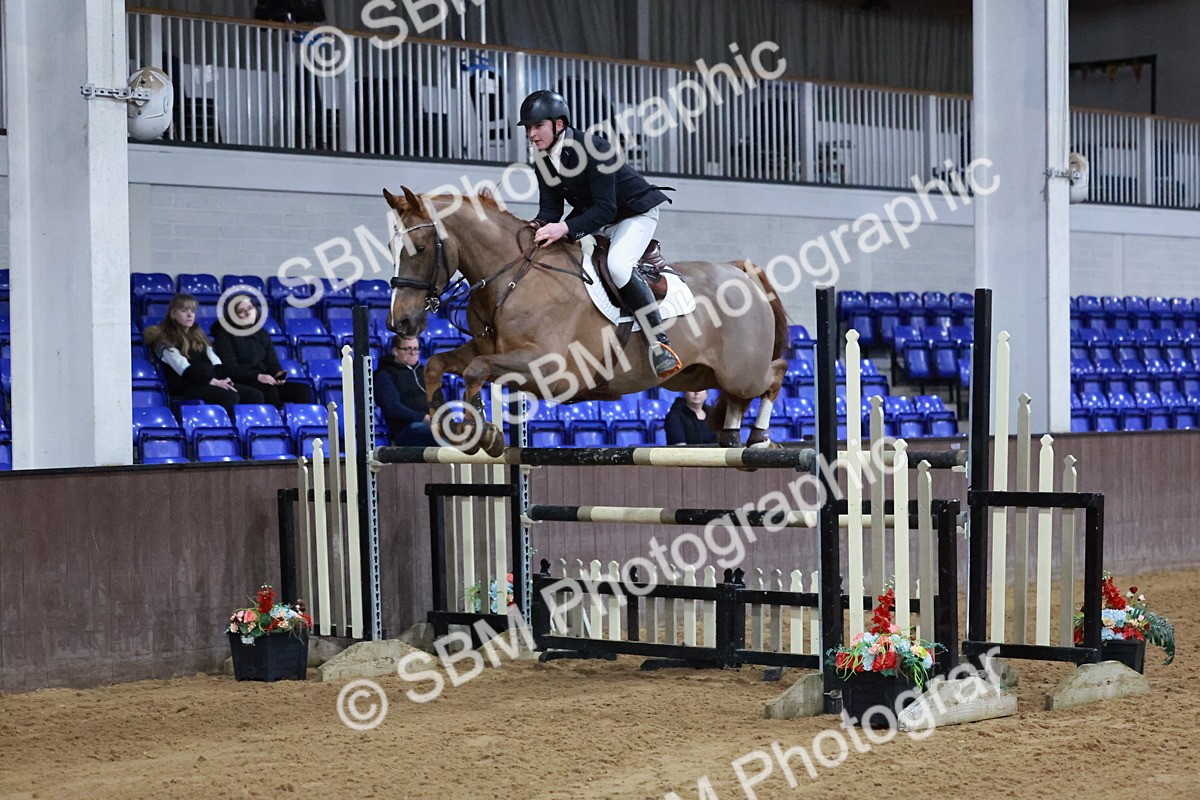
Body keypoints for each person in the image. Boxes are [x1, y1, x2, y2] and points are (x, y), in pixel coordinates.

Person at [518, 89, 683, 379]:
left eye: (537, 126)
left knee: (618, 265)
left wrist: (566, 228)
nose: (531, 134)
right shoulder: (543, 160)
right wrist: (531, 228)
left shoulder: (594, 148)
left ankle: (660, 343)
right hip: (597, 218)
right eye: (528, 128)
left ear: (559, 125)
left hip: (633, 213)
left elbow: (605, 209)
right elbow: (550, 210)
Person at [144, 293, 265, 416]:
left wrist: (223, 379)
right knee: (229, 397)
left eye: (192, 311)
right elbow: (184, 369)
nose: (190, 315)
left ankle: (242, 429)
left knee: (255, 395)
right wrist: (213, 382)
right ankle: (219, 430)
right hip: (187, 385)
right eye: (184, 310)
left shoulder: (198, 335)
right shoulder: (164, 339)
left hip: (209, 381)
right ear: (173, 314)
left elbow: (215, 360)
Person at [210, 293, 313, 408]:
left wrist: (278, 374)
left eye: (250, 308)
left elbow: (272, 362)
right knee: (269, 391)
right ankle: (273, 424)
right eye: (241, 311)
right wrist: (257, 376)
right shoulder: (223, 335)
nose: (248, 313)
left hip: (262, 379)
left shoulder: (262, 333)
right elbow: (230, 369)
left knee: (302, 390)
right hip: (242, 380)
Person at [376, 335, 444, 446]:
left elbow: (439, 400)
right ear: (395, 351)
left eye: (416, 349)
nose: (413, 352)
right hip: (405, 428)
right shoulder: (384, 374)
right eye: (408, 348)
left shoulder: (425, 373)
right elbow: (392, 407)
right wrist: (423, 418)